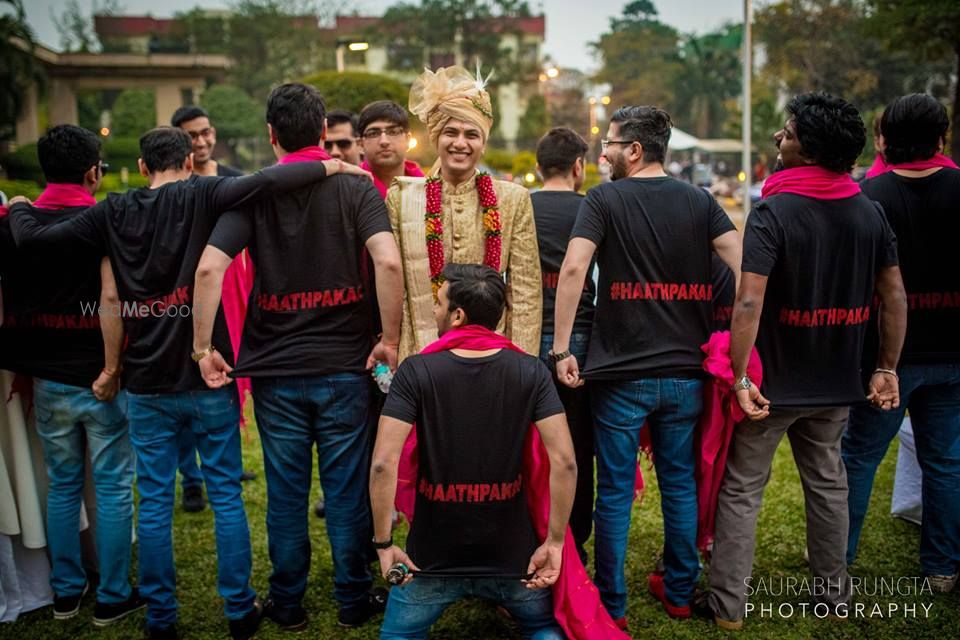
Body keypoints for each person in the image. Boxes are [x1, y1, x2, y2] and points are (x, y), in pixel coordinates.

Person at [8, 126, 363, 640]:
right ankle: (240, 610)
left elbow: (36, 239)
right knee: (225, 495)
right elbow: (271, 180)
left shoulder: (115, 209)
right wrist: (333, 166)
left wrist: (18, 205)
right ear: (190, 162)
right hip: (207, 373)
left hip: (147, 380)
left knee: (152, 498)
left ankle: (160, 617)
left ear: (144, 166)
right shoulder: (206, 192)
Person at [191, 82, 403, 632]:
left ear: (271, 135)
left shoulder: (255, 193)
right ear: (325, 134)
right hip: (343, 368)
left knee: (285, 496)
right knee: (344, 490)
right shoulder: (358, 188)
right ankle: (353, 600)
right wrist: (390, 339)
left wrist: (202, 349)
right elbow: (389, 264)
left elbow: (210, 269)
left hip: (276, 370)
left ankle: (288, 606)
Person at [705, 92, 908, 629]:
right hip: (836, 382)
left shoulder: (774, 210)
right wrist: (885, 367)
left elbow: (748, 300)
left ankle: (728, 606)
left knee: (744, 489)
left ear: (809, 148)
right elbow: (894, 297)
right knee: (828, 484)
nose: (779, 137)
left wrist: (740, 375)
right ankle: (834, 595)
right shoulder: (869, 211)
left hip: (771, 385)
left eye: (788, 132)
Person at [553, 105, 742, 627]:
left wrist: (563, 347)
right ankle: (680, 591)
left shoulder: (604, 199)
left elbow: (574, 268)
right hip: (685, 374)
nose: (604, 153)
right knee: (679, 483)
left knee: (615, 490)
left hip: (620, 374)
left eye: (610, 144)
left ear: (634, 150)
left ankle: (611, 604)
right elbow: (745, 264)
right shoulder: (701, 202)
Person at [370, 263, 575, 640]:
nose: (434, 310)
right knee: (543, 628)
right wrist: (555, 542)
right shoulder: (530, 371)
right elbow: (564, 461)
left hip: (429, 561)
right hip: (513, 561)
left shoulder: (416, 371)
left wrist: (384, 544)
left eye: (439, 302)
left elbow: (384, 463)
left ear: (458, 314)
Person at [0, 125, 141, 625]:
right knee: (112, 486)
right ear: (93, 170)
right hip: (102, 377)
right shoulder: (106, 221)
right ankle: (114, 595)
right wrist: (113, 367)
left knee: (60, 486)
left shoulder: (17, 221)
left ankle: (64, 593)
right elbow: (113, 299)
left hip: (46, 379)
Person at [843, 93, 960, 593]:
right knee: (946, 460)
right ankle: (942, 567)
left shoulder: (869, 196)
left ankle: (836, 556)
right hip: (953, 351)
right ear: (942, 138)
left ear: (884, 139)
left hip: (886, 356)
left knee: (860, 456)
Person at [387, 65, 541, 360]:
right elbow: (401, 290)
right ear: (436, 139)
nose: (460, 143)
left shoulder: (513, 199)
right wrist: (404, 356)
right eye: (451, 132)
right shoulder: (403, 198)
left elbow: (525, 293)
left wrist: (523, 365)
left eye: (472, 134)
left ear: (483, 144)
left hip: (493, 353)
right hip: (423, 351)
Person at [172, 105, 255, 514]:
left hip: (235, 289)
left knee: (233, 375)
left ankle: (227, 463)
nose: (201, 142)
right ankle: (191, 477)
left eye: (206, 132)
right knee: (190, 381)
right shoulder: (174, 185)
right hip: (187, 297)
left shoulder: (234, 179)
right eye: (191, 136)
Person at [531, 127, 595, 563]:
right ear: (578, 167)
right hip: (583, 337)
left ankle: (535, 528)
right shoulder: (593, 208)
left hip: (530, 332)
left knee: (531, 443)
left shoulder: (521, 206)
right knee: (577, 443)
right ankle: (575, 538)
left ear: (537, 168)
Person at [358, 100, 425, 198]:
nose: (384, 141)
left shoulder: (427, 190)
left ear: (408, 139)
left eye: (393, 132)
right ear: (361, 144)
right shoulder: (348, 190)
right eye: (374, 133)